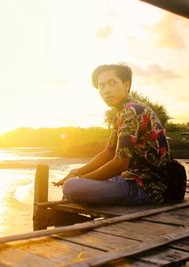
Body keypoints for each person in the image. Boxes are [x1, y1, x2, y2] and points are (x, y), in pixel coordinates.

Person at [53, 64, 172, 205]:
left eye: (112, 83)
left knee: (71, 187)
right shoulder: (121, 114)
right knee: (74, 176)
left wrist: (82, 179)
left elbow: (120, 163)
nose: (106, 90)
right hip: (131, 179)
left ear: (127, 85)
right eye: (101, 86)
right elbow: (109, 151)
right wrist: (77, 172)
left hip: (147, 188)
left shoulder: (132, 110)